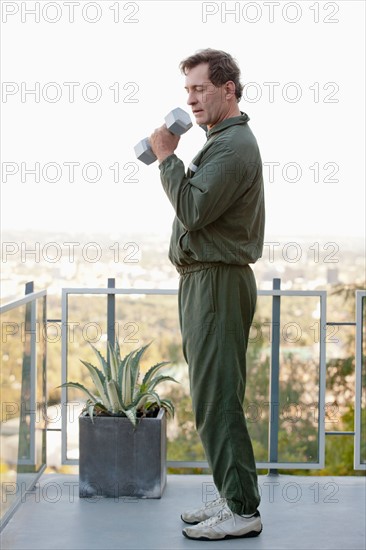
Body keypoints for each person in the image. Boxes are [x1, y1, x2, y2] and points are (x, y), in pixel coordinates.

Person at [149, 48, 265, 541]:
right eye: (188, 91)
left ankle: (242, 510)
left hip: (217, 283)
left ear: (227, 90)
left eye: (200, 88)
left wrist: (167, 159)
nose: (192, 99)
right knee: (215, 394)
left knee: (217, 400)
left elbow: (194, 210)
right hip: (204, 283)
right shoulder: (219, 142)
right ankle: (229, 491)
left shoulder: (234, 146)